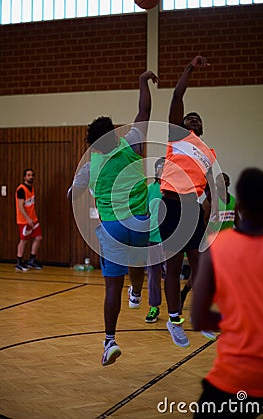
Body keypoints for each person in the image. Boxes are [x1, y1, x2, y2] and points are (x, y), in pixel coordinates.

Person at [191, 168, 263, 418]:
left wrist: (241, 322)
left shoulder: (216, 250)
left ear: (237, 202)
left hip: (237, 375)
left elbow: (199, 318)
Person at [86, 70, 158, 366]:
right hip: (139, 221)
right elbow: (144, 110)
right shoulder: (130, 144)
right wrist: (142, 83)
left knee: (111, 286)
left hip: (113, 227)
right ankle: (138, 293)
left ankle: (110, 341)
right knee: (138, 263)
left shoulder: (93, 162)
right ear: (114, 133)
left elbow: (84, 190)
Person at [158, 55, 217, 348]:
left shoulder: (208, 152)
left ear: (203, 128)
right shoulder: (176, 135)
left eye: (197, 118)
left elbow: (208, 187)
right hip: (170, 204)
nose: (192, 118)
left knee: (200, 264)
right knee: (172, 263)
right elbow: (177, 94)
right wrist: (190, 68)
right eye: (188, 117)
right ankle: (174, 319)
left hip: (192, 209)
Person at [179, 173, 238, 332]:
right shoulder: (210, 202)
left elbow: (237, 221)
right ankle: (186, 296)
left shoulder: (233, 202)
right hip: (210, 244)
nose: (223, 185)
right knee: (202, 277)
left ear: (228, 184)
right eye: (220, 182)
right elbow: (202, 222)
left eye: (226, 182)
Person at [145, 157, 166, 323]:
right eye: (161, 168)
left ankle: (175, 310)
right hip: (152, 237)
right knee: (153, 275)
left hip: (170, 239)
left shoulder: (175, 191)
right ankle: (154, 307)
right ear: (156, 171)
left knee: (172, 275)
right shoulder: (150, 189)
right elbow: (144, 214)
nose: (164, 170)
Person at [15, 168, 43, 272]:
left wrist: (32, 218)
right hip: (24, 220)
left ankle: (32, 259)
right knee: (24, 240)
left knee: (38, 237)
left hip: (33, 219)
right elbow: (20, 206)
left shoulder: (31, 188)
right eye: (28, 175)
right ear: (24, 177)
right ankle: (19, 262)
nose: (30, 177)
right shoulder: (21, 189)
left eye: (32, 175)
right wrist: (27, 218)